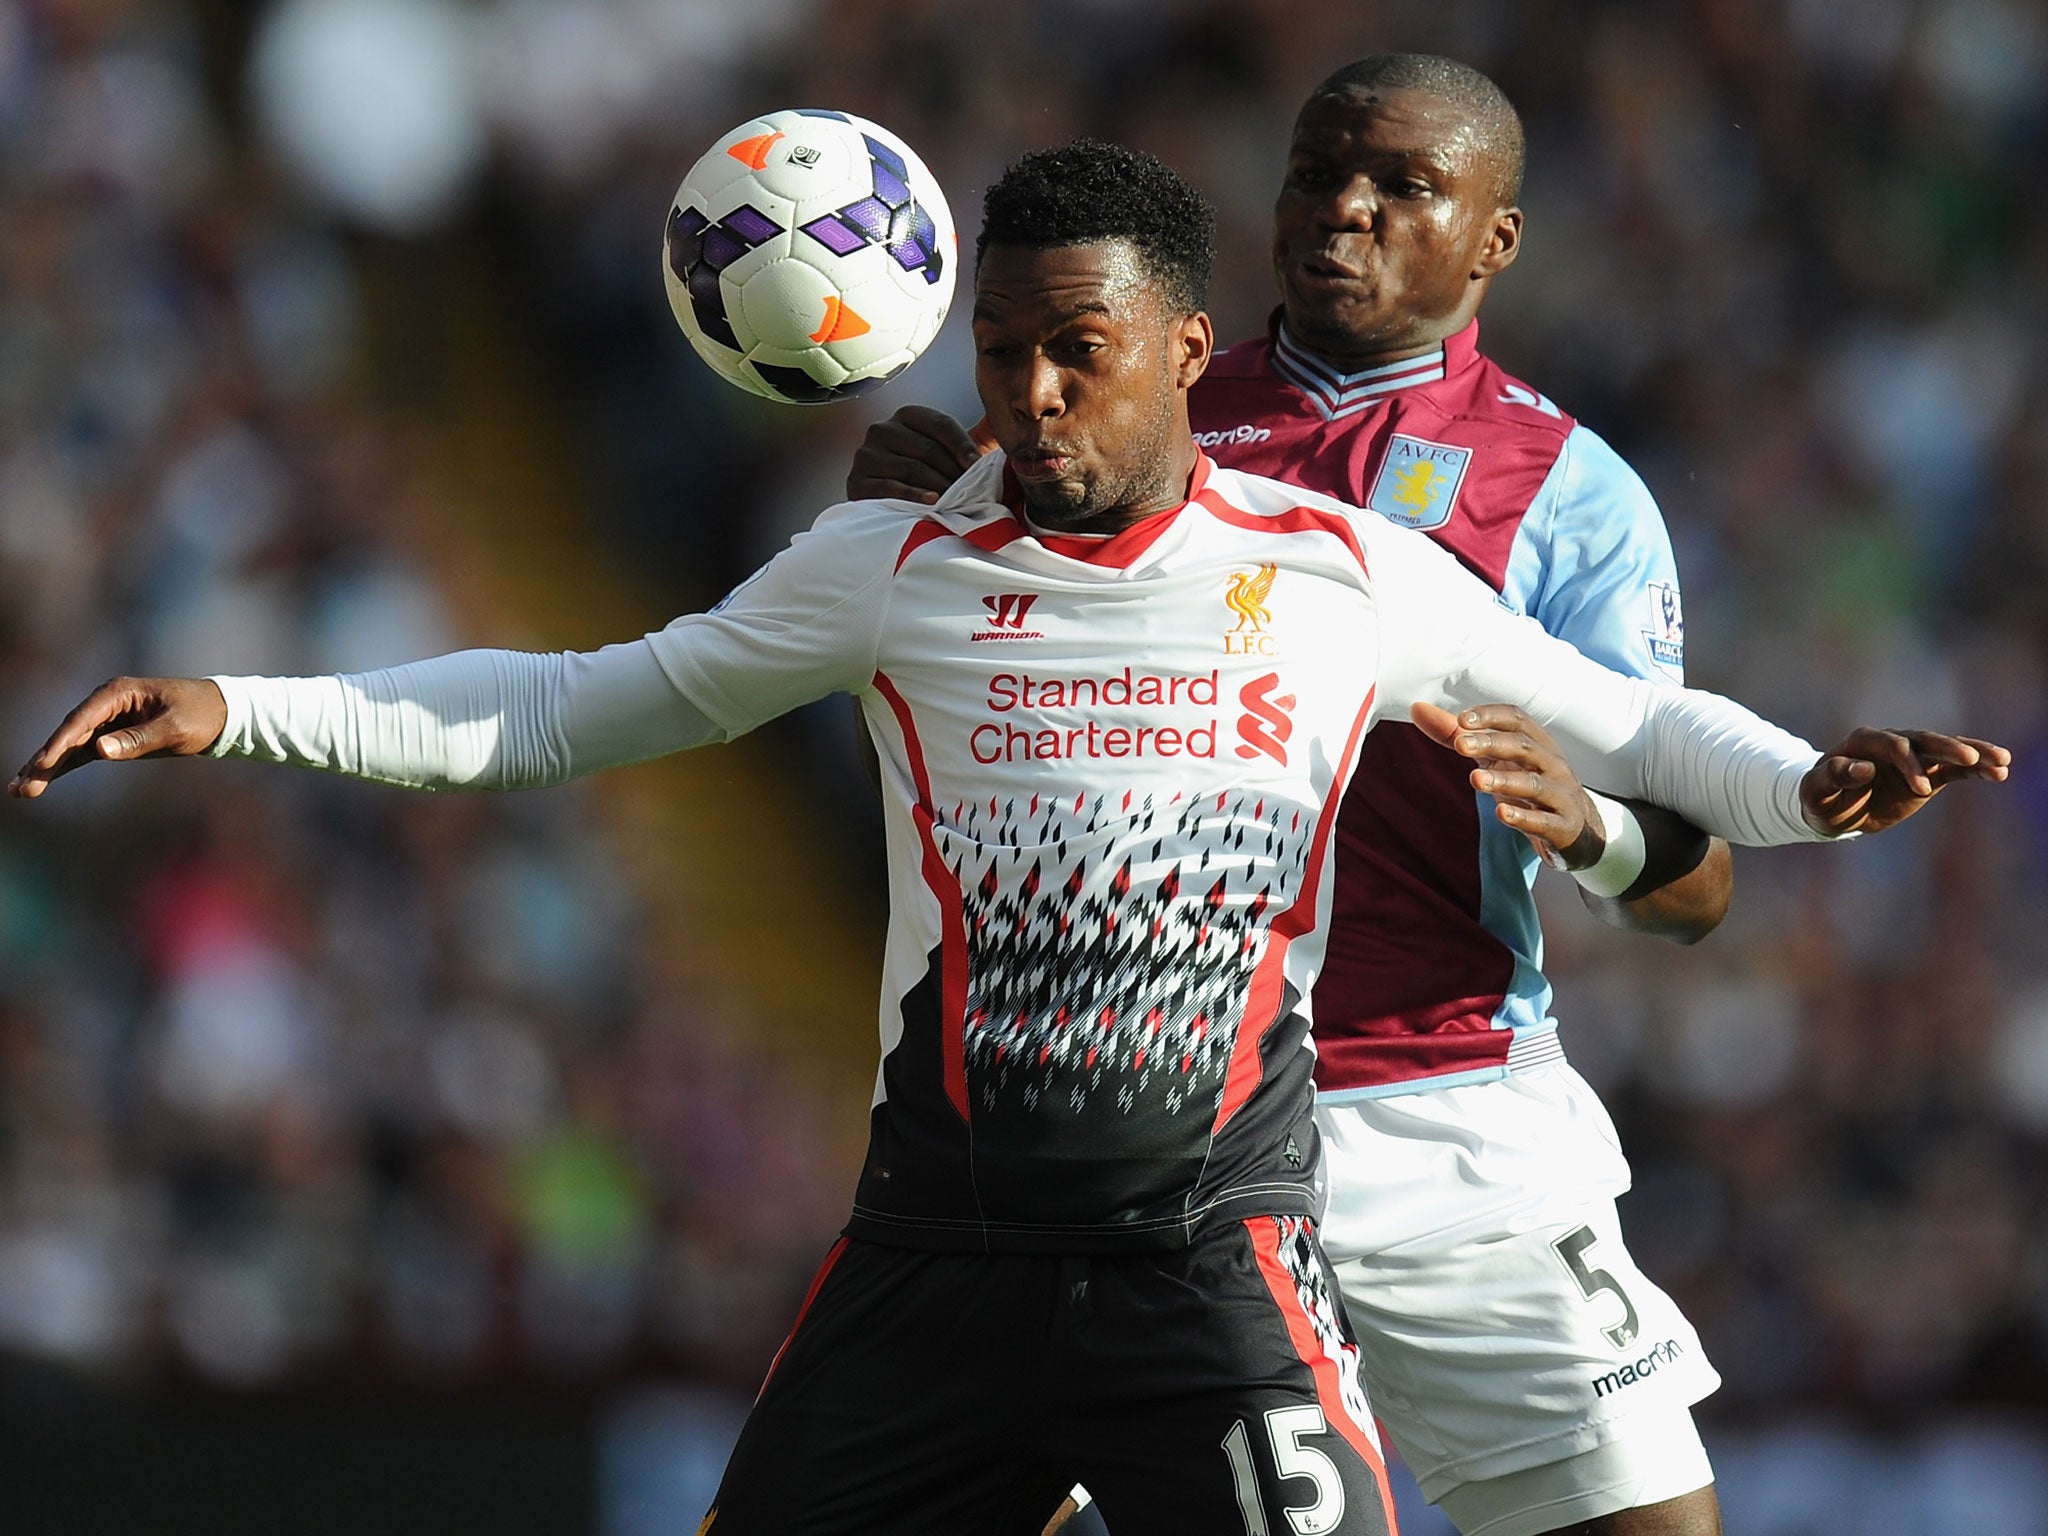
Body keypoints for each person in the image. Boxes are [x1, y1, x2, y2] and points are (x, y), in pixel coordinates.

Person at [10, 139, 2007, 1535]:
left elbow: (1631, 721)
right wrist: (243, 705)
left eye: (1083, 354)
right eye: (1004, 358)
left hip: (1208, 1263)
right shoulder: (889, 565)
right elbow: (567, 704)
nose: (1035, 398)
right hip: (928, 1274)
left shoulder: (1342, 574)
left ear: (1184, 354)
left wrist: (1804, 787)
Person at [842, 55, 1913, 1536]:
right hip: (1152, 1118)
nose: (1344, 210)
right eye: (1315, 175)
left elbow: (1694, 892)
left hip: (1442, 1111)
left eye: (1402, 187)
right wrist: (907, 535)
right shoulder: (1114, 400)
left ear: (1495, 239)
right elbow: (943, 719)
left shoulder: (1566, 490)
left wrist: (1593, 829)